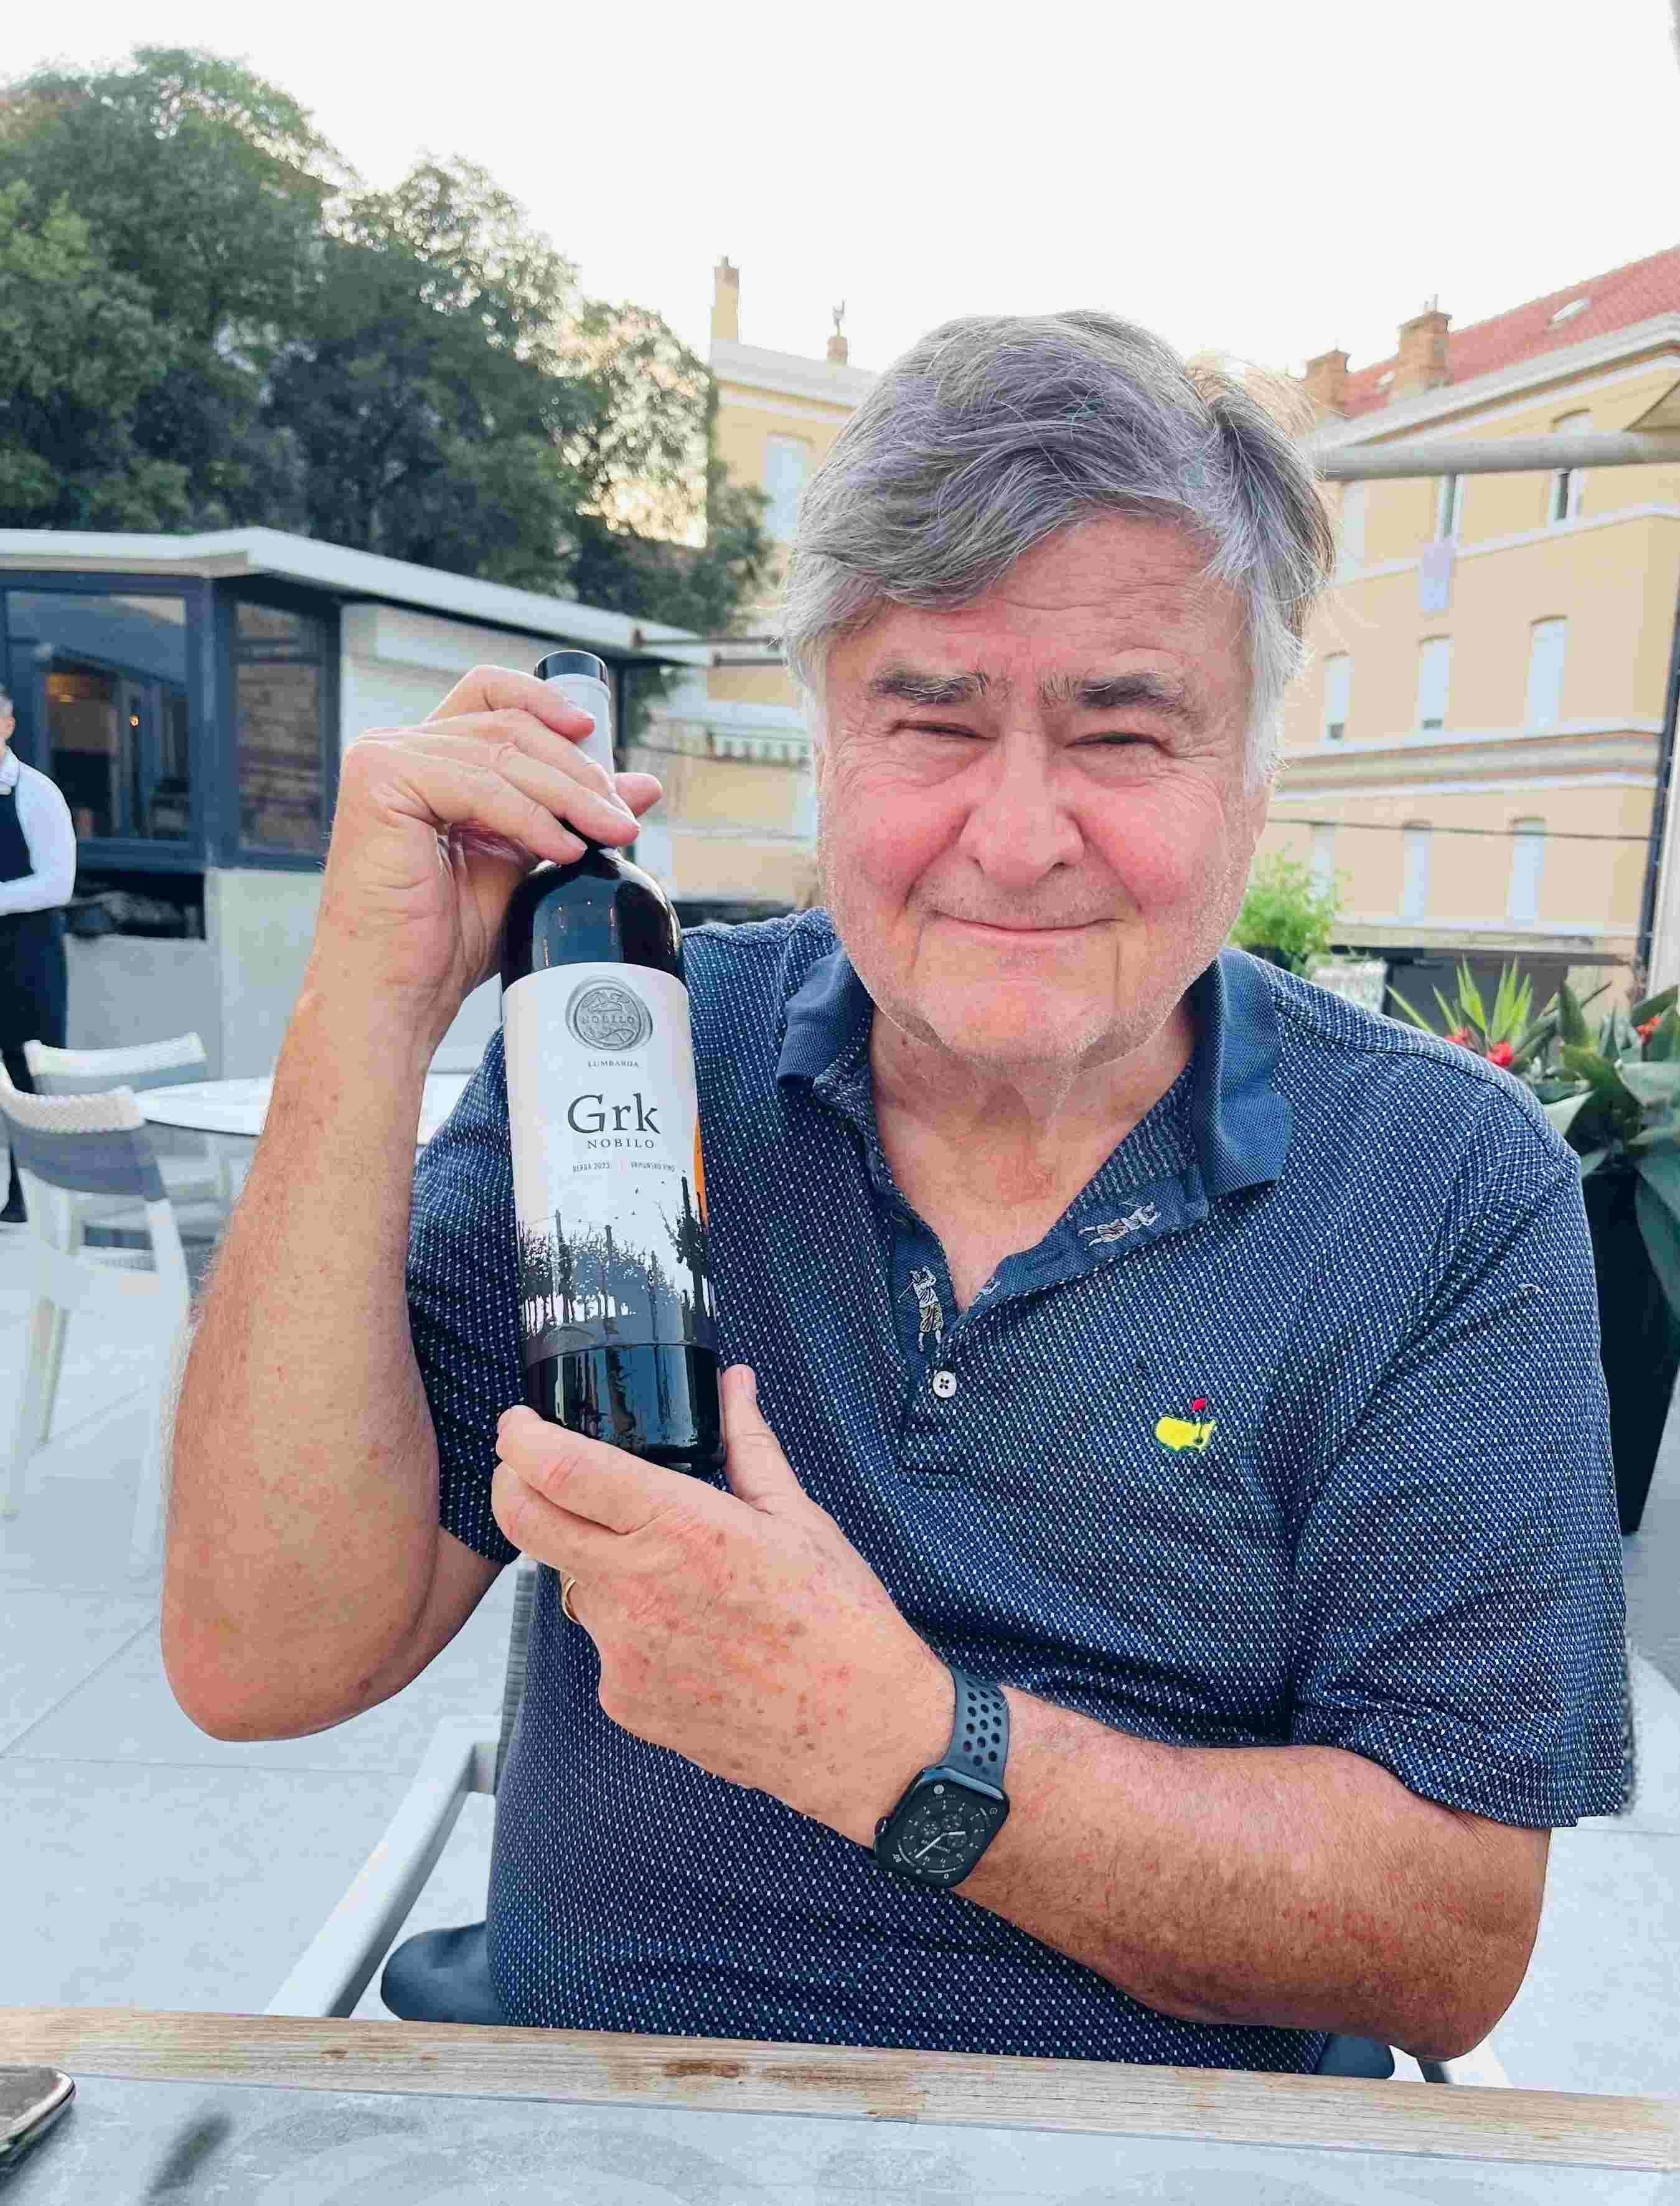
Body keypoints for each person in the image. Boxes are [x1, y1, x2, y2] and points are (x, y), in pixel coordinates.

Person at [164, 313, 1629, 2072]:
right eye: (929, 722)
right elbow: (263, 1656)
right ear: (829, 751)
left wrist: (888, 1743)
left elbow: (1443, 1941)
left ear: (1254, 778)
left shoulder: (1443, 1186)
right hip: (604, 2123)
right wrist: (369, 1010)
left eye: (1121, 733)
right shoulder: (637, 1055)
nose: (1014, 836)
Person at [0, 686, 77, 1221]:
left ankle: (34, 1197)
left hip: (26, 954)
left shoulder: (37, 793)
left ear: (7, 726)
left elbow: (59, 884)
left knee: (31, 1071)